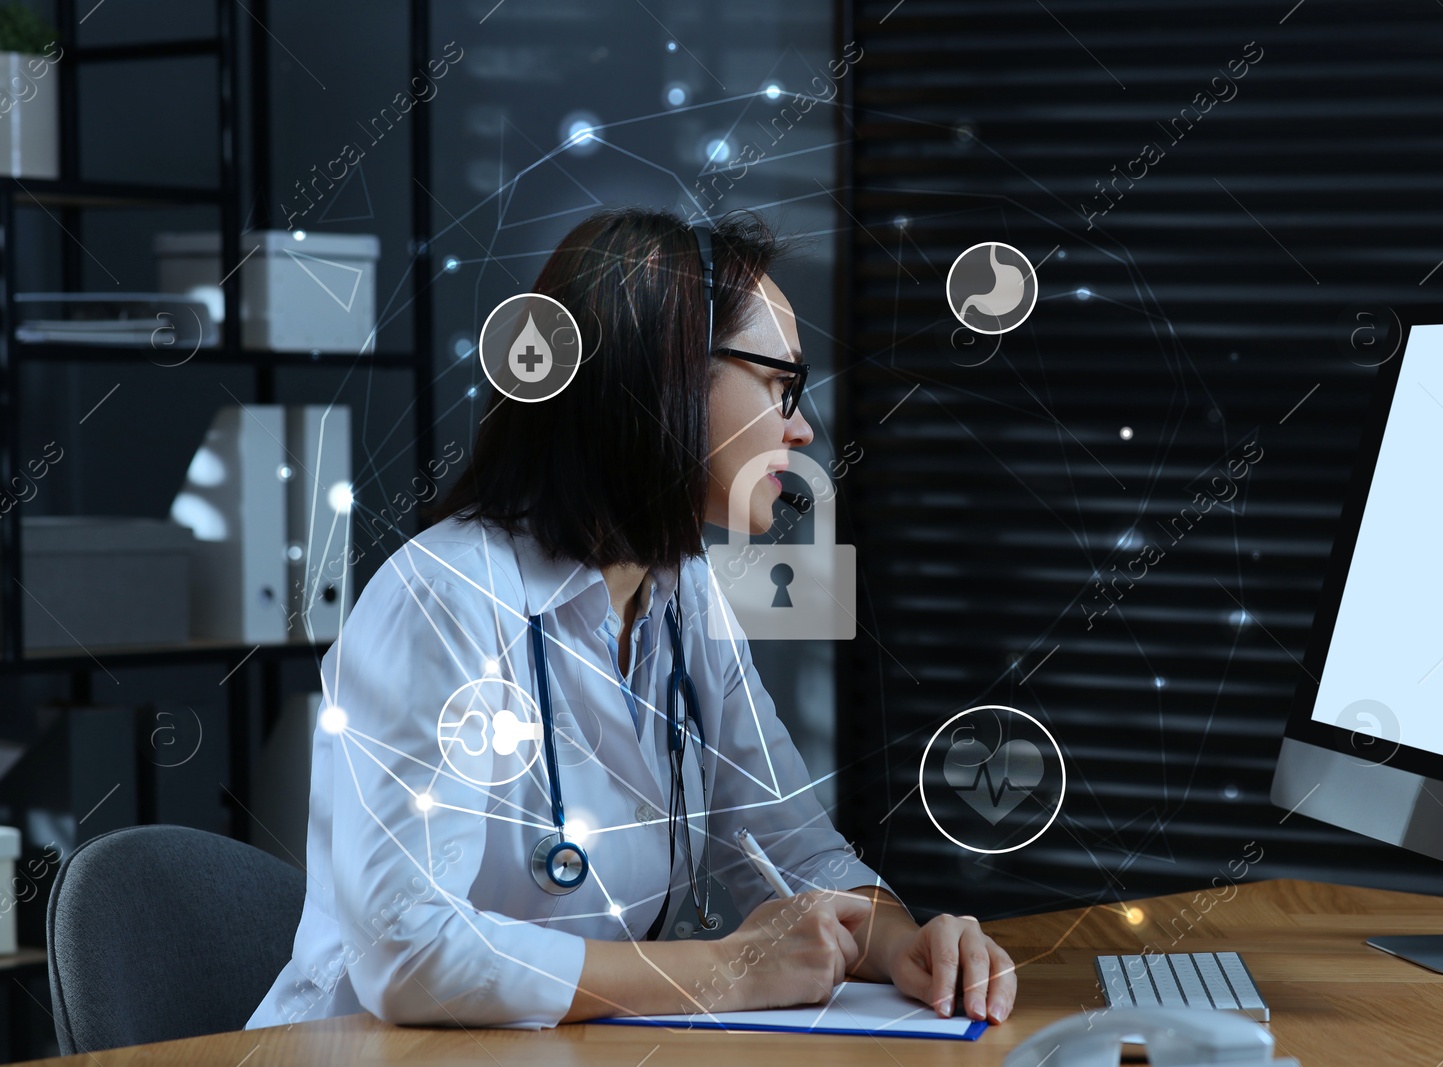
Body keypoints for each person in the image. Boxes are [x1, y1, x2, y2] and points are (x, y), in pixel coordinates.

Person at [246, 206, 1017, 1031]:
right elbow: (409, 954)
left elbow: (792, 851)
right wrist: (723, 969)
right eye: (780, 383)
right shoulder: (441, 597)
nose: (803, 425)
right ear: (670, 373)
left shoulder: (685, 593)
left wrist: (904, 942)